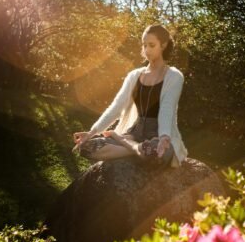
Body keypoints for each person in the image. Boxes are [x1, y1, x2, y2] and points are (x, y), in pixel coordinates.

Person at [72, 24, 188, 168]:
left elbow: (167, 109)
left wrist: (164, 137)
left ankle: (121, 139)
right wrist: (91, 132)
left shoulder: (175, 76)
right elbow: (116, 107)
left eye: (151, 45)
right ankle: (137, 148)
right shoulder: (134, 76)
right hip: (134, 133)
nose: (146, 50)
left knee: (156, 155)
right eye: (144, 45)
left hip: (158, 136)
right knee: (86, 147)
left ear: (163, 45)